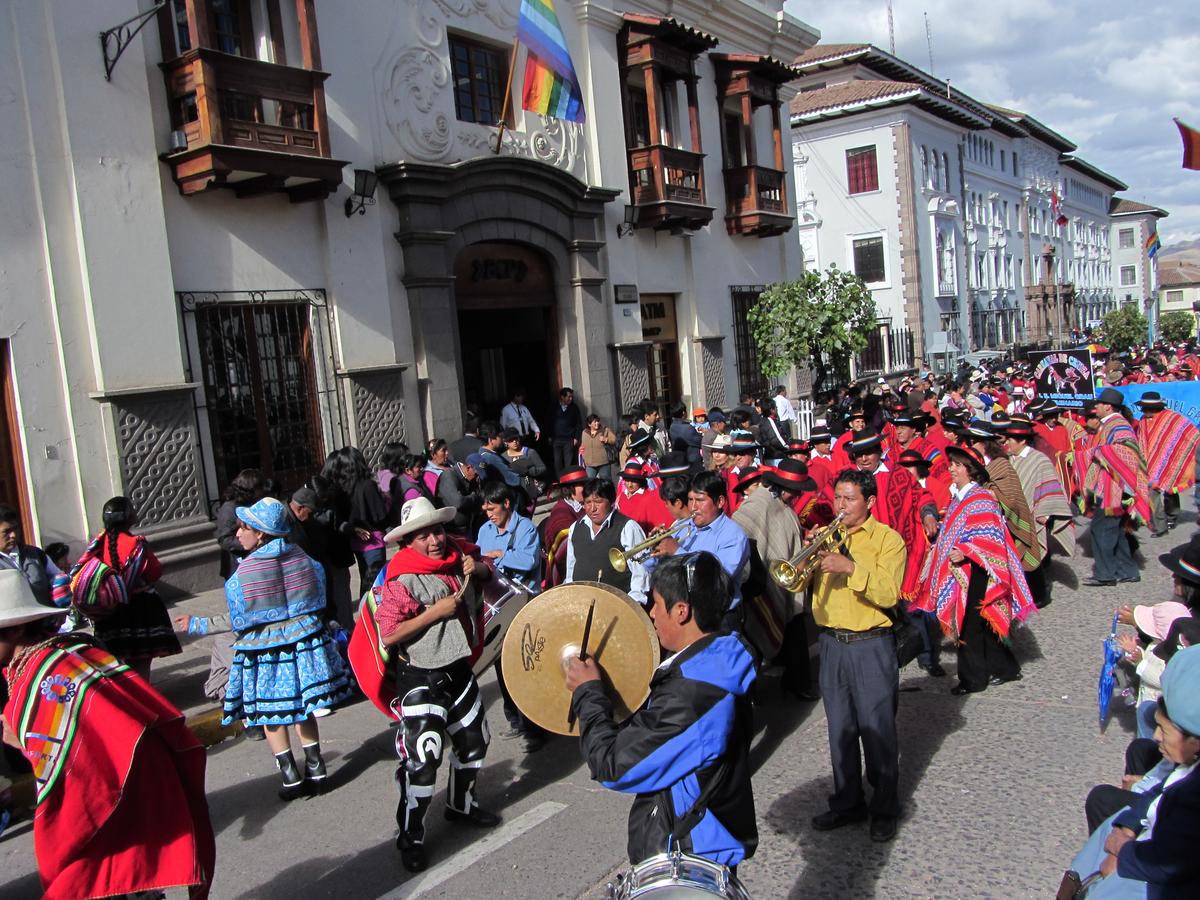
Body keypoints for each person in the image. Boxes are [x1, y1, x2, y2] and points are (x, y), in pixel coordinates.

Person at [0, 570, 216, 899]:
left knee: (110, 883)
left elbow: (77, 753)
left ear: (15, 628)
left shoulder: (48, 672)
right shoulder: (52, 659)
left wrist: (22, 739)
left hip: (107, 803)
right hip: (120, 794)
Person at [564, 552, 758, 868]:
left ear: (682, 611)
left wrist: (588, 692)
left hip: (690, 856)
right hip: (702, 838)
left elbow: (613, 766)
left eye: (656, 604)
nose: (652, 613)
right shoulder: (720, 657)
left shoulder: (692, 696)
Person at [363, 497, 500, 872]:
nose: (434, 540)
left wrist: (481, 570)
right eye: (423, 535)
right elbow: (389, 634)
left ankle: (461, 805)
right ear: (408, 542)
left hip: (458, 670)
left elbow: (488, 581)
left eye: (437, 531)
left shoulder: (459, 559)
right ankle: (411, 836)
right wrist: (432, 613)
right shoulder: (400, 577)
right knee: (423, 758)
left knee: (475, 741)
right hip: (421, 675)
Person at [220, 497, 352, 800]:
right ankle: (317, 768)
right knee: (303, 707)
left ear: (261, 533)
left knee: (271, 713)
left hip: (264, 651)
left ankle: (290, 775)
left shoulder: (242, 575)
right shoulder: (307, 561)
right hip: (303, 645)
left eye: (244, 527)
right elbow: (318, 602)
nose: (238, 534)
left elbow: (240, 620)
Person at [808, 469, 905, 842]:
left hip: (870, 643)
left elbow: (889, 593)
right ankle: (848, 802)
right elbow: (803, 585)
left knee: (877, 730)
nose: (841, 506)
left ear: (870, 502)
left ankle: (884, 807)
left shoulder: (887, 540)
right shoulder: (828, 536)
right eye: (838, 498)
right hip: (832, 642)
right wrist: (807, 561)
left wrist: (849, 568)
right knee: (841, 730)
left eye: (849, 499)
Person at [1067, 644, 1200, 896]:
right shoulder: (1188, 767)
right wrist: (1126, 828)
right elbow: (1160, 791)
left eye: (1165, 730)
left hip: (1166, 881)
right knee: (1112, 826)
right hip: (1150, 849)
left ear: (1194, 741)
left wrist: (1125, 855)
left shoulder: (1193, 794)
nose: (1157, 736)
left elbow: (1170, 863)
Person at [915, 445, 1035, 695]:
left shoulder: (980, 499)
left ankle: (973, 679)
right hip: (964, 571)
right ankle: (1005, 668)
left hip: (977, 572)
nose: (952, 469)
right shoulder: (960, 497)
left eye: (958, 465)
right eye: (952, 464)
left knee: (968, 625)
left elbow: (990, 537)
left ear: (971, 471)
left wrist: (966, 550)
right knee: (978, 624)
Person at [73, 497, 181, 681]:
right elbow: (154, 572)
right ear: (128, 517)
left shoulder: (98, 543)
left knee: (115, 659)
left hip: (109, 613)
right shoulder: (136, 544)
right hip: (139, 609)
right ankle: (143, 697)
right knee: (141, 661)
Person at [731, 466, 811, 697]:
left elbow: (787, 537)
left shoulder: (783, 507)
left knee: (794, 628)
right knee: (754, 636)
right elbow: (742, 532)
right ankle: (751, 693)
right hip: (758, 580)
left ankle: (796, 682)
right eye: (793, 490)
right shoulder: (756, 504)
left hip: (783, 577)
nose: (795, 495)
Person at [651, 471, 750, 624]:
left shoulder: (733, 536)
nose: (693, 507)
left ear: (720, 502)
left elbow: (717, 580)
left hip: (718, 618)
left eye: (700, 500)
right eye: (690, 500)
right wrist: (653, 550)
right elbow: (657, 571)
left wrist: (677, 551)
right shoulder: (684, 527)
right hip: (687, 614)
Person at [1001, 416, 1076, 609]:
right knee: (1015, 556)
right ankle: (1019, 591)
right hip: (1012, 515)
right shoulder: (1008, 459)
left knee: (1032, 557)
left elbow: (1049, 487)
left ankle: (1040, 595)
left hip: (1032, 514)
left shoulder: (1039, 460)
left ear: (1023, 440)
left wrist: (1046, 512)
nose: (1007, 442)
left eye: (1010, 439)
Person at [1084, 388, 1151, 587]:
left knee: (1102, 529)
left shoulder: (1118, 425)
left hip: (1114, 489)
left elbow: (1124, 454)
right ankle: (1127, 570)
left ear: (1107, 406)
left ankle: (1106, 574)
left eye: (1098, 404)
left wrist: (1091, 453)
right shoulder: (1112, 424)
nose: (1095, 407)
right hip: (1112, 486)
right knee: (1117, 530)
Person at [564, 478, 648, 605]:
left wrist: (631, 605)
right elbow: (571, 568)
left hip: (618, 607)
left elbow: (641, 573)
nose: (592, 508)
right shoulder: (575, 528)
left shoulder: (628, 528)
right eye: (587, 502)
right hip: (582, 605)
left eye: (598, 502)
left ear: (611, 501)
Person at [322, 446, 390, 592]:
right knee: (377, 582)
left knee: (365, 579)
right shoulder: (367, 485)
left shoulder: (341, 489)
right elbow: (381, 517)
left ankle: (364, 610)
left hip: (355, 541)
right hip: (373, 540)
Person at [1135, 391, 1200, 535]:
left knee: (1170, 490)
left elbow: (1192, 435)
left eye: (1147, 408)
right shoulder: (1142, 421)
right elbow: (1142, 443)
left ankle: (1172, 515)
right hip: (1149, 464)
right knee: (1152, 493)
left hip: (1171, 462)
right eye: (1143, 408)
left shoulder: (1172, 418)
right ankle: (1160, 526)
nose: (1144, 411)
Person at [0, 505, 59, 607]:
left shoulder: (36, 554)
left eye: (15, 529)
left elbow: (59, 579)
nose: (13, 535)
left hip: (45, 620)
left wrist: (60, 606)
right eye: (7, 532)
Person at [213, 468, 266, 580]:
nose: (262, 492)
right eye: (259, 488)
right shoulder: (229, 509)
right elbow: (225, 540)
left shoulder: (254, 504)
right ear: (251, 489)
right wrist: (252, 543)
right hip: (237, 566)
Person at [540, 467, 588, 589]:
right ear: (570, 488)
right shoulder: (561, 513)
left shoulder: (583, 506)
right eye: (582, 485)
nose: (587, 489)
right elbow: (565, 549)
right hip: (567, 575)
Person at [616, 461, 674, 535]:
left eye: (634, 481)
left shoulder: (648, 497)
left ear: (640, 481)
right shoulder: (621, 496)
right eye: (627, 480)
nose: (630, 485)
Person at [502, 428, 549, 508]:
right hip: (515, 494)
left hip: (530, 491)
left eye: (516, 439)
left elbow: (543, 468)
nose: (514, 442)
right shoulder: (503, 457)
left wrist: (528, 471)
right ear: (506, 442)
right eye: (511, 440)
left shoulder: (530, 453)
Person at [438, 456, 484, 538]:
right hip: (454, 531)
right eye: (476, 474)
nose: (477, 478)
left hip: (467, 527)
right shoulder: (449, 476)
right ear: (469, 468)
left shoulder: (470, 479)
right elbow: (457, 502)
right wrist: (473, 497)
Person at [551, 387, 584, 477]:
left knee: (568, 463)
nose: (570, 399)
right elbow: (549, 422)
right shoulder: (554, 407)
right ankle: (560, 481)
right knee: (557, 462)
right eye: (568, 397)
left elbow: (578, 424)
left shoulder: (574, 408)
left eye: (571, 397)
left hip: (569, 440)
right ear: (562, 397)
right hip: (557, 440)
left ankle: (568, 480)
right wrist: (549, 436)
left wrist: (576, 438)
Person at [580, 414, 618, 482]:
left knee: (606, 482)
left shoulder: (605, 430)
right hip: (590, 464)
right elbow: (583, 446)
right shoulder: (584, 432)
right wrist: (584, 457)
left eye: (598, 421)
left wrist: (606, 439)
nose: (597, 423)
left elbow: (614, 440)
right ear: (589, 424)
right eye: (594, 422)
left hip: (603, 463)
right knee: (590, 483)